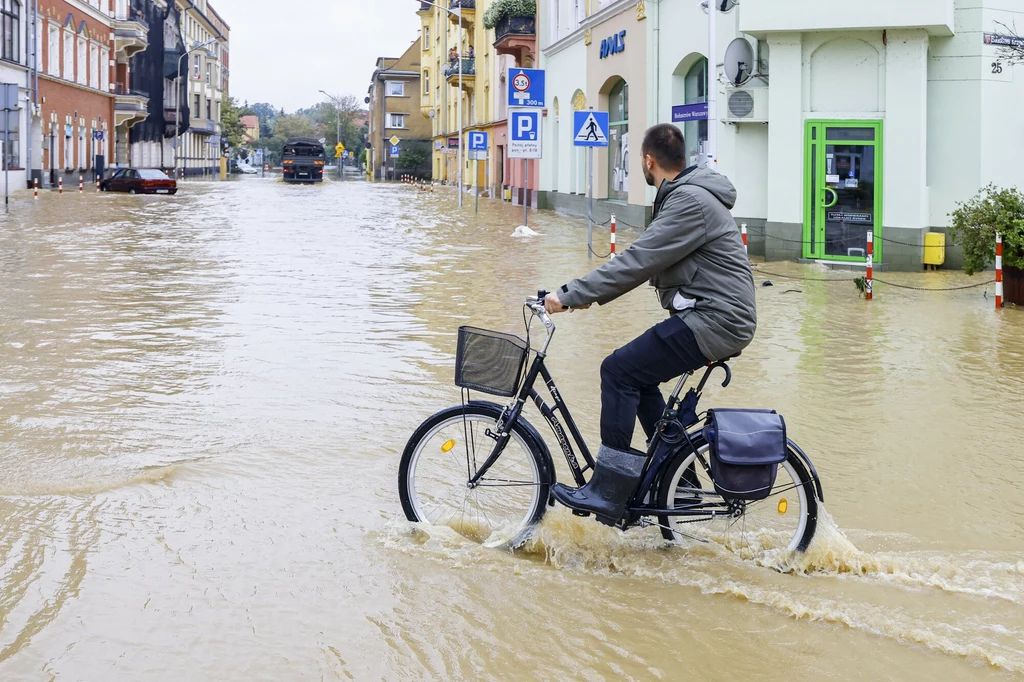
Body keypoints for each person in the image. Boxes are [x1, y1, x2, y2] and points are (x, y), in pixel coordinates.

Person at [545, 123, 757, 525]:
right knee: (638, 379)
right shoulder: (690, 195)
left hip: (717, 320)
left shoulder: (689, 202)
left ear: (648, 161)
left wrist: (570, 294)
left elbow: (638, 261)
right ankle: (684, 489)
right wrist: (587, 295)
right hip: (715, 316)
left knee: (618, 370)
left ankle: (608, 490)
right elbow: (647, 261)